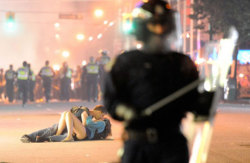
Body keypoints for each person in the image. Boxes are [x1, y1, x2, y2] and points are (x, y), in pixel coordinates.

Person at [103, 0, 213, 162]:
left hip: (172, 146)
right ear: (143, 28)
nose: (160, 31)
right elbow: (112, 101)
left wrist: (206, 102)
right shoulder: (126, 63)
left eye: (164, 24)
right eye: (155, 25)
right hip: (138, 145)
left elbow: (193, 104)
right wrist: (127, 111)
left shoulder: (182, 63)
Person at [20, 105, 111, 143]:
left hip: (80, 132)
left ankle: (66, 136)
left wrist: (83, 116)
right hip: (71, 128)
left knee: (67, 115)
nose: (103, 117)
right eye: (102, 115)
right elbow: (85, 122)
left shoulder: (98, 121)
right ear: (98, 112)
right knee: (62, 116)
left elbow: (85, 124)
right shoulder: (86, 112)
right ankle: (32, 137)